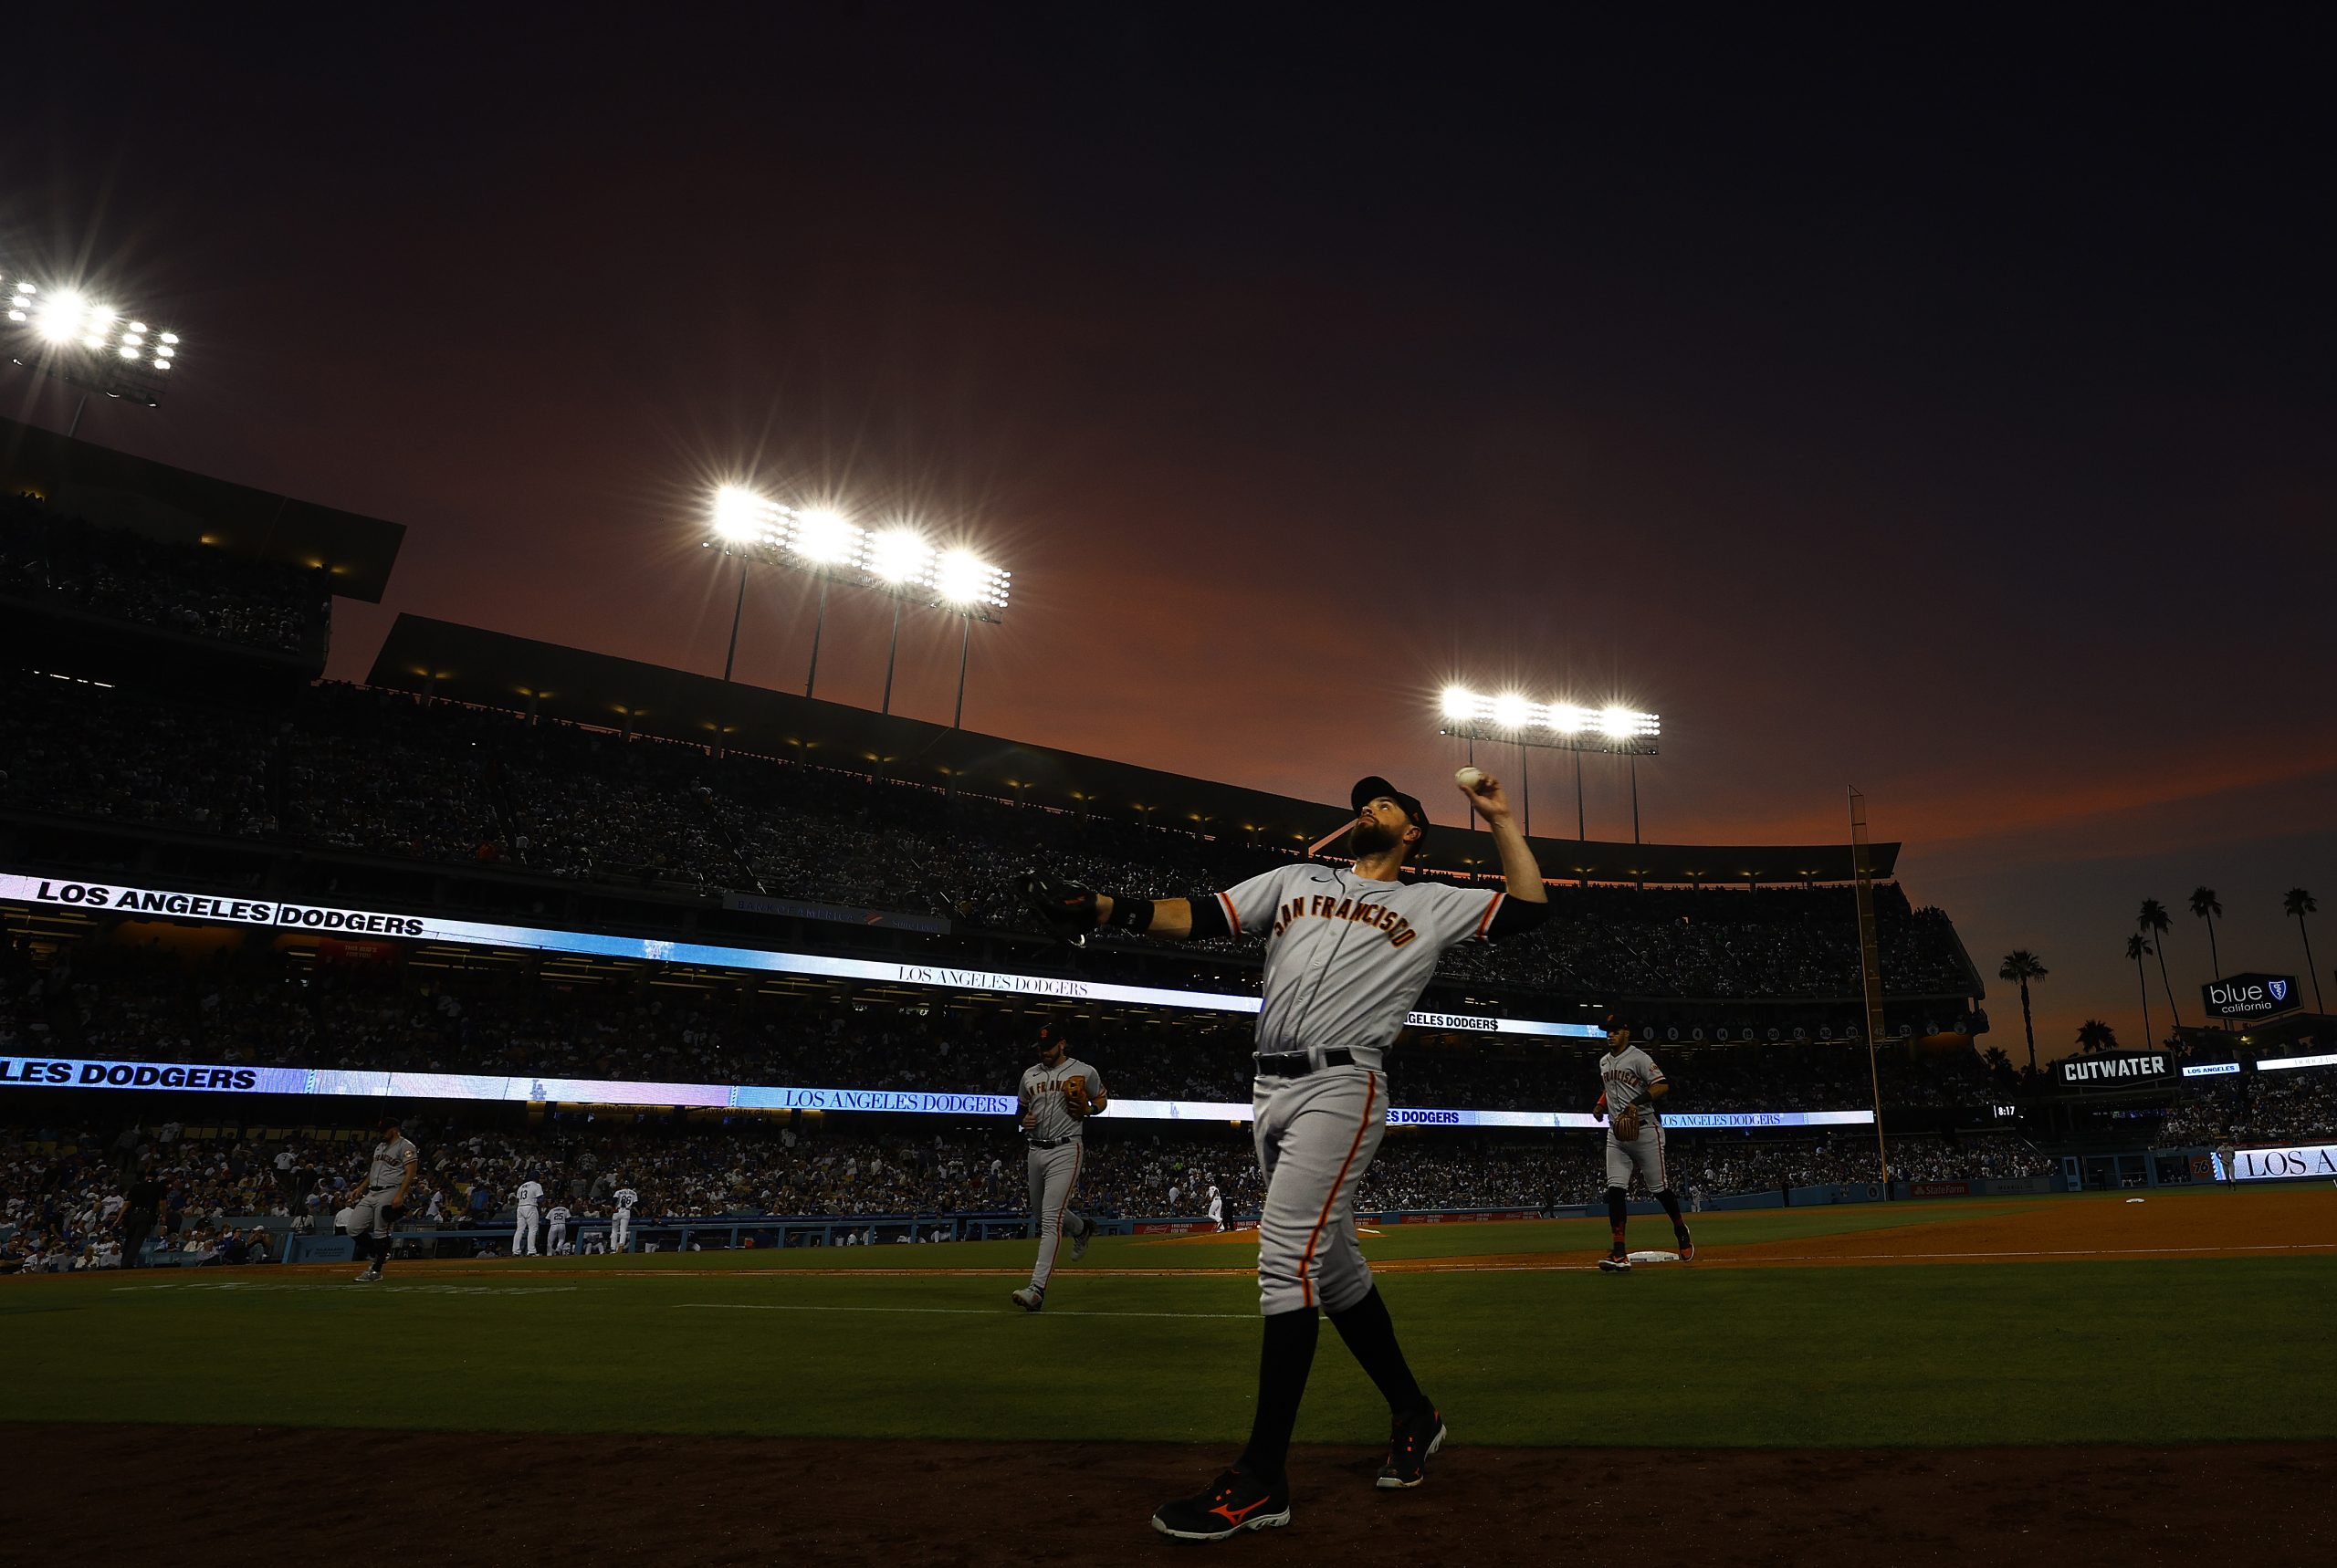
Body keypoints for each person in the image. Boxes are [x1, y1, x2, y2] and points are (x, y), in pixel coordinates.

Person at [1022, 771, 1550, 1538]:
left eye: (1386, 803)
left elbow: (1531, 910)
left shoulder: (1432, 900)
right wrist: (1105, 908)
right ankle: (1414, 1410)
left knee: (1284, 1261)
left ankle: (1263, 1477)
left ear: (1411, 833)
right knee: (1331, 1268)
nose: (1366, 807)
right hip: (1269, 1090)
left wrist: (1500, 817)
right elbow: (1201, 916)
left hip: (1345, 1079)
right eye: (1363, 802)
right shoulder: (1297, 878)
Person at [1011, 1022, 1109, 1312]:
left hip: (1067, 1147)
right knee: (1041, 1214)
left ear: (1062, 1044)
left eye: (1050, 1047)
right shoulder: (1030, 1075)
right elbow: (1020, 1109)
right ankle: (1080, 1229)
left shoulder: (1084, 1071)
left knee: (1050, 1220)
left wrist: (1090, 1109)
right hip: (1034, 1149)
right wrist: (1022, 1121)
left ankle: (1036, 1289)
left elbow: (1102, 1099)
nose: (1045, 1052)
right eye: (1041, 1048)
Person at [1594, 1023, 1693, 1271]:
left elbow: (1661, 1085)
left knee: (1660, 1190)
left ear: (1626, 1033)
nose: (1611, 1035)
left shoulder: (1639, 1057)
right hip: (1617, 1133)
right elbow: (1610, 1088)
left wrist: (1636, 1102)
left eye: (1615, 1030)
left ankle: (1680, 1227)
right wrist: (1599, 1104)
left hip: (1646, 1130)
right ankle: (1619, 1252)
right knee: (1615, 1190)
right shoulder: (1604, 1061)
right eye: (1607, 1031)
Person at [348, 1116, 419, 1283]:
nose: (381, 1134)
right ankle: (379, 1253)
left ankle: (375, 1271)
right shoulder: (380, 1147)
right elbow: (373, 1171)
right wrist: (361, 1187)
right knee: (353, 1228)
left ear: (394, 1129)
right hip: (372, 1191)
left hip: (391, 1190)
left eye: (384, 1131)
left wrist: (400, 1194)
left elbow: (411, 1172)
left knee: (381, 1231)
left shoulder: (406, 1146)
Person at [120, 1163, 165, 1269]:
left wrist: (118, 1218)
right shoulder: (158, 1186)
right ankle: (127, 1264)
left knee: (129, 1239)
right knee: (137, 1240)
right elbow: (162, 1203)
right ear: (156, 1177)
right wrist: (163, 1215)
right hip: (146, 1215)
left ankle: (123, 1261)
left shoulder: (136, 1186)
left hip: (133, 1215)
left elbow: (127, 1203)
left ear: (146, 1177)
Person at [513, 1176, 544, 1257]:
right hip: (530, 1206)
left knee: (519, 1230)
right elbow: (541, 1198)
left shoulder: (521, 1186)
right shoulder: (536, 1185)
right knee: (532, 1229)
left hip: (520, 1207)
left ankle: (516, 1251)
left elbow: (517, 1199)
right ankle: (531, 1251)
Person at [610, 1185, 637, 1252]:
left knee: (614, 1230)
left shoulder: (618, 1192)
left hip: (617, 1211)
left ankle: (613, 1248)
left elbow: (613, 1201)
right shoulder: (633, 1193)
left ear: (622, 1186)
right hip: (627, 1211)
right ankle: (621, 1245)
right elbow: (636, 1204)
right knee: (623, 1230)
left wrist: (613, 1208)